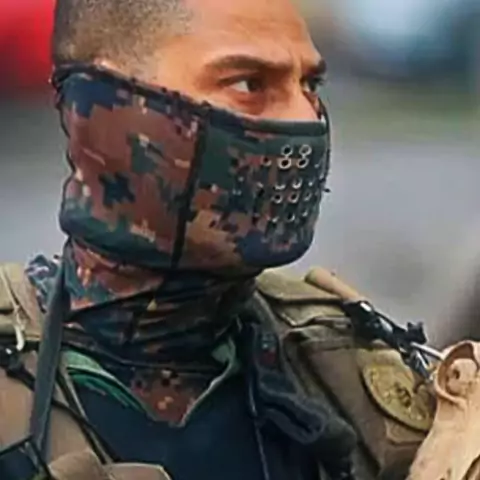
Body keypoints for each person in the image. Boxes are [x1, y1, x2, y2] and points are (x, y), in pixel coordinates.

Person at [0, 0, 435, 479]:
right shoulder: (13, 384)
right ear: (104, 107)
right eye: (249, 84)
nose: (305, 117)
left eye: (310, 85)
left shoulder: (342, 372)